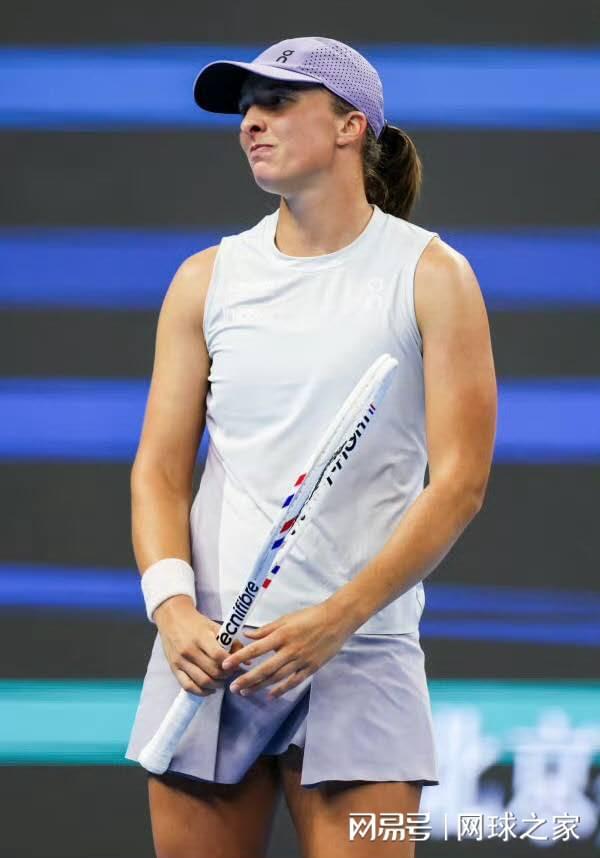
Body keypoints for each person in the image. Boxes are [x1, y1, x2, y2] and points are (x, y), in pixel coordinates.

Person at [125, 36, 497, 858]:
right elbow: (158, 471)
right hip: (210, 653)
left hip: (361, 650)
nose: (251, 122)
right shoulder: (205, 280)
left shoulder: (433, 276)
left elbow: (460, 483)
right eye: (245, 108)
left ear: (350, 125)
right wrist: (173, 608)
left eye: (277, 101)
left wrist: (338, 618)